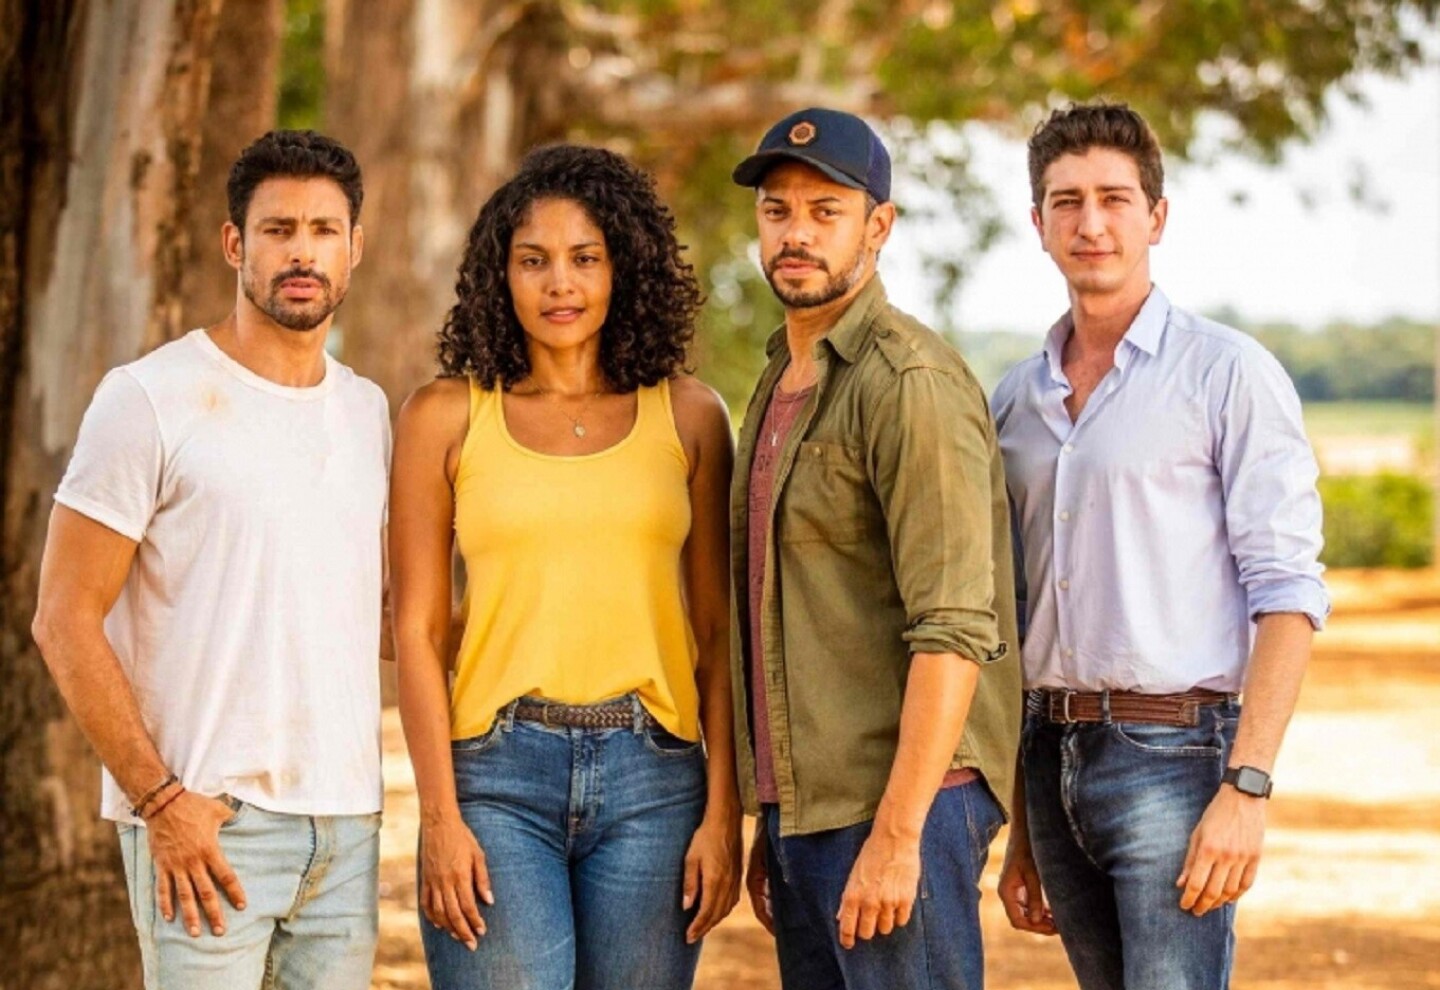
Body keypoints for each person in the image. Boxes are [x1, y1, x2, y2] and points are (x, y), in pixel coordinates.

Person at [32, 130, 388, 989]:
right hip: (206, 829)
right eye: (277, 230)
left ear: (354, 248)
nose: (301, 252)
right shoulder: (149, 397)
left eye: (322, 230)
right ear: (236, 244)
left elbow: (368, 616)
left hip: (346, 829)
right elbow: (63, 618)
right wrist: (160, 802)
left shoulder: (370, 410)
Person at [992, 102, 1330, 990]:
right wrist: (1026, 828)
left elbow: (1289, 593)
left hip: (1175, 759)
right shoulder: (1011, 402)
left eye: (1114, 197)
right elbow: (1019, 613)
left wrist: (1247, 789)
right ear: (1038, 225)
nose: (1091, 223)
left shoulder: (1227, 373)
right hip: (1048, 755)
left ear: (1158, 216)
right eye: (1066, 202)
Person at [389, 144, 741, 990]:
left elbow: (718, 632)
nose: (560, 285)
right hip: (496, 777)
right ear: (498, 275)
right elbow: (417, 627)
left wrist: (725, 810)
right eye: (534, 261)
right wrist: (440, 816)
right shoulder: (445, 416)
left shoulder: (691, 416)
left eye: (586, 259)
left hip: (656, 780)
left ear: (624, 269)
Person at [728, 108, 1022, 990]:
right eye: (778, 212)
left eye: (826, 211)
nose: (797, 234)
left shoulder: (910, 384)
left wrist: (899, 838)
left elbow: (954, 625)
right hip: (810, 812)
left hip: (904, 804)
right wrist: (771, 817)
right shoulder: (777, 381)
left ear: (879, 226)